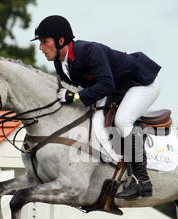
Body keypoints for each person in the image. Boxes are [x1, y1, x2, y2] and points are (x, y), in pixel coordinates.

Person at [32, 15, 162, 200]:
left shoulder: (88, 51)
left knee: (123, 120)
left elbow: (106, 85)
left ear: (61, 41)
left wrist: (76, 97)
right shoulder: (60, 64)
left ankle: (143, 181)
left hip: (142, 82)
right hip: (119, 88)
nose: (41, 48)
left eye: (45, 42)